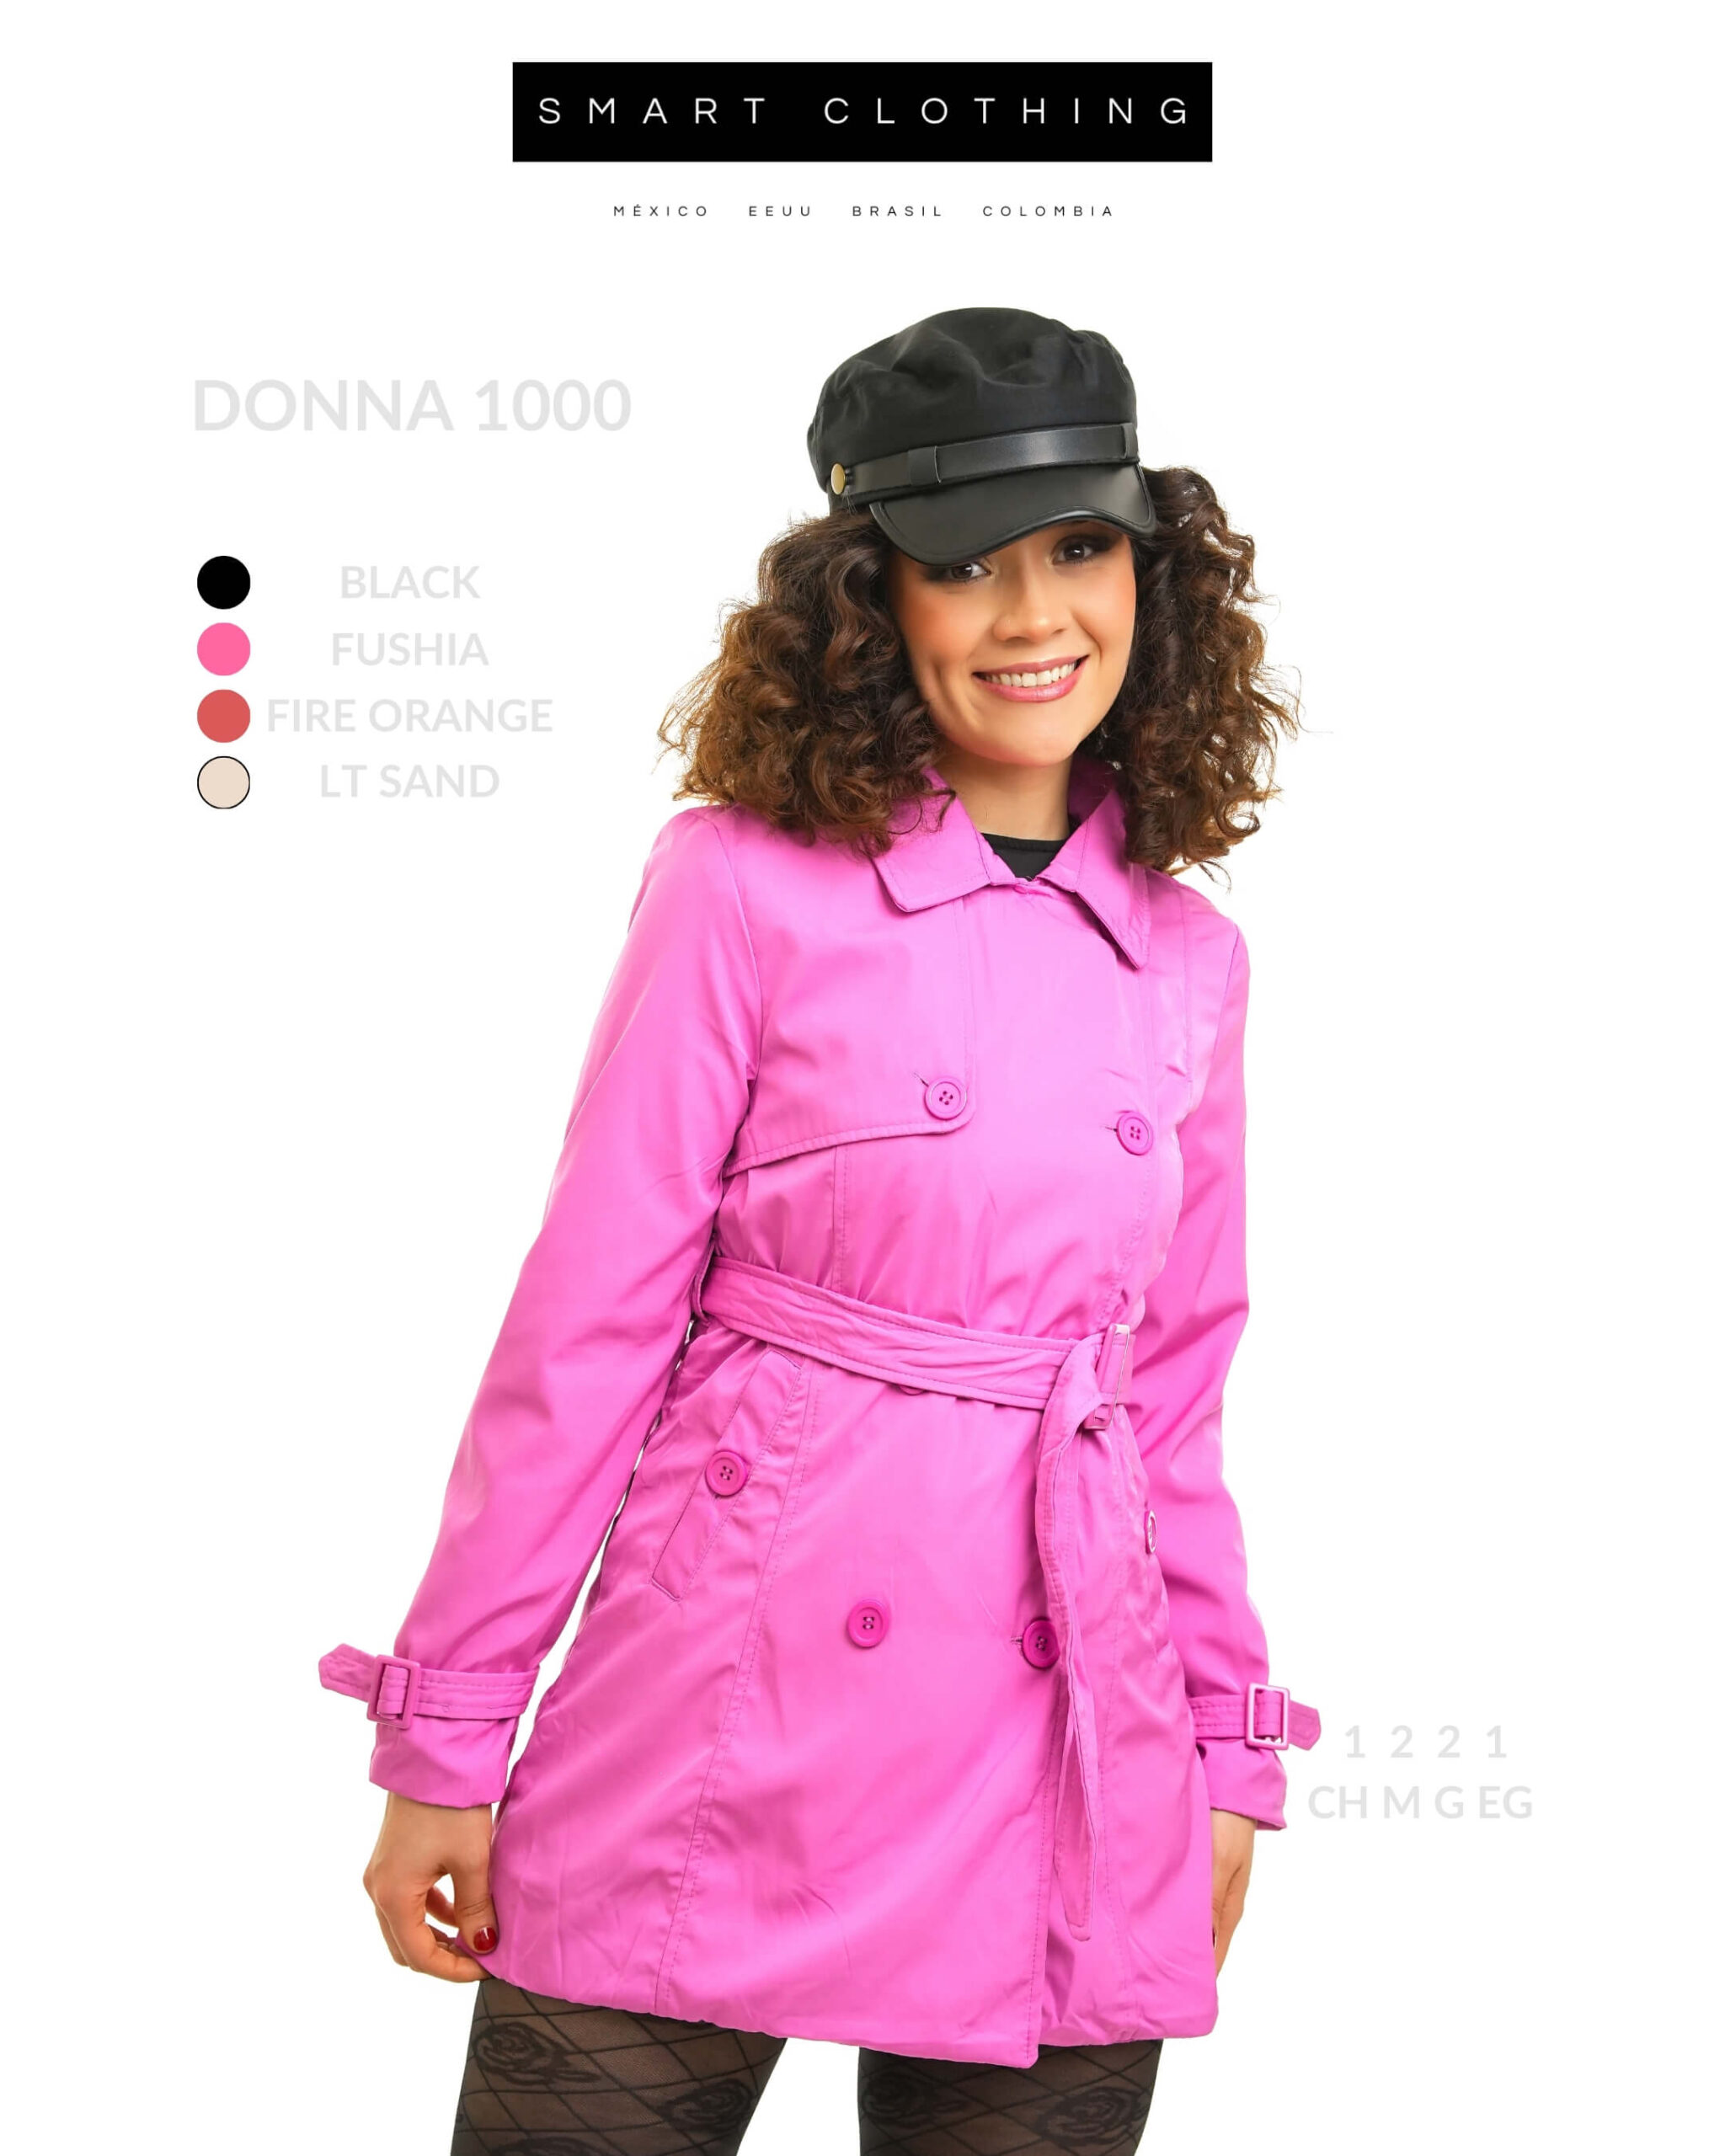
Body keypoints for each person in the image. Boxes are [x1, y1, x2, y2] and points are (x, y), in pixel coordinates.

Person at [320, 307, 1320, 2156]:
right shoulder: (738, 882)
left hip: (1072, 1739)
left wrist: (1222, 1742)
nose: (1034, 616)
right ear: (874, 602)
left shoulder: (1191, 958)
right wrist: (447, 1732)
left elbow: (1172, 1400)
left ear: (1151, 575)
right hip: (718, 1705)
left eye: (1079, 548)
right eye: (965, 564)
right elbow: (585, 1330)